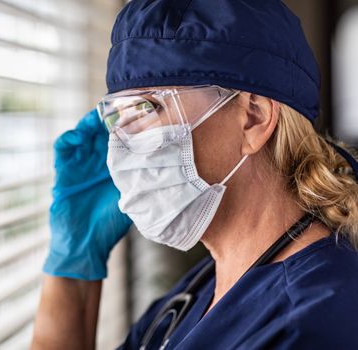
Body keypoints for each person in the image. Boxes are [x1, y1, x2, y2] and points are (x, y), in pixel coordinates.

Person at [31, 0, 358, 349]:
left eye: (147, 107)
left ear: (253, 118)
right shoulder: (198, 292)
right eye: (117, 118)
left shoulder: (314, 322)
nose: (120, 146)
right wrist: (73, 265)